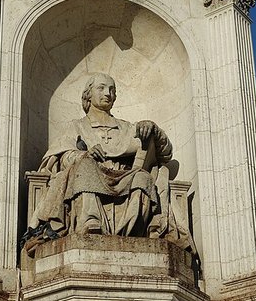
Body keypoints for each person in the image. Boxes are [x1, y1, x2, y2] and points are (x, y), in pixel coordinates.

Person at [21, 73, 193, 253]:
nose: (108, 93)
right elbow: (60, 159)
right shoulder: (77, 126)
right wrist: (83, 155)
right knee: (85, 167)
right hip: (91, 172)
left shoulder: (127, 127)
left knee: (143, 177)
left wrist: (154, 130)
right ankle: (90, 221)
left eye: (112, 89)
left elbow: (165, 153)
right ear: (88, 94)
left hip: (124, 178)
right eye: (101, 88)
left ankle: (133, 230)